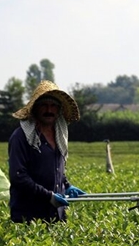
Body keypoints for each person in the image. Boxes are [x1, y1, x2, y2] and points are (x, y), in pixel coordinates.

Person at [8, 81, 86, 223]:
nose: (49, 110)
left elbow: (57, 170)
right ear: (35, 109)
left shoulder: (59, 135)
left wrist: (67, 186)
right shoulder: (21, 137)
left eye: (53, 106)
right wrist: (47, 196)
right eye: (44, 105)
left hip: (57, 216)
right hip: (29, 216)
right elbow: (18, 177)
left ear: (59, 110)